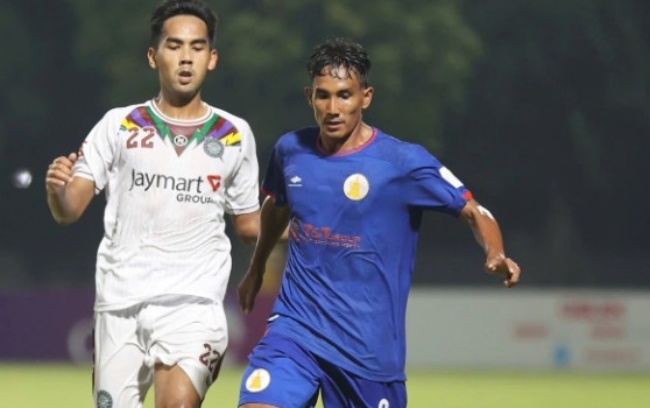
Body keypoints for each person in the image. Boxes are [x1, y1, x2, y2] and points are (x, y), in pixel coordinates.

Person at [236, 37, 522, 408]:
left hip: (367, 353)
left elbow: (474, 210)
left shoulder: (402, 162)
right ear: (309, 96)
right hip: (295, 330)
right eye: (323, 96)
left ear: (366, 97)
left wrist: (495, 252)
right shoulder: (290, 151)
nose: (333, 109)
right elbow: (277, 207)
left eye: (344, 95)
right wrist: (256, 268)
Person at [45, 1, 261, 407]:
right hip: (119, 304)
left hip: (193, 304)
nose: (186, 57)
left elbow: (249, 226)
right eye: (174, 46)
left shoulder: (234, 134)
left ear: (212, 58)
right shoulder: (118, 125)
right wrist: (57, 190)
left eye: (197, 47)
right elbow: (69, 209)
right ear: (153, 56)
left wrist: (306, 224)